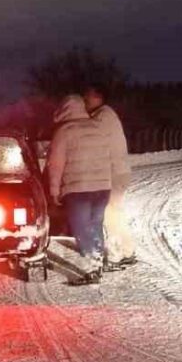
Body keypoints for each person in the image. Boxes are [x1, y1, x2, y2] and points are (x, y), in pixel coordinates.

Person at [47, 95, 114, 285]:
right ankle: (99, 261)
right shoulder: (98, 128)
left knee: (81, 228)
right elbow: (108, 157)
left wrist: (54, 190)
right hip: (103, 187)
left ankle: (92, 268)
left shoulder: (64, 131)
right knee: (95, 224)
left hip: (78, 189)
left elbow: (56, 164)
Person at [83, 85, 137, 270]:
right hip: (118, 172)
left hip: (113, 174)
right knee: (116, 214)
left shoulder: (102, 117)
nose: (85, 101)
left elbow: (87, 138)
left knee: (109, 215)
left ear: (99, 97)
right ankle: (127, 251)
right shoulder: (105, 115)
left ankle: (116, 255)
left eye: (88, 97)